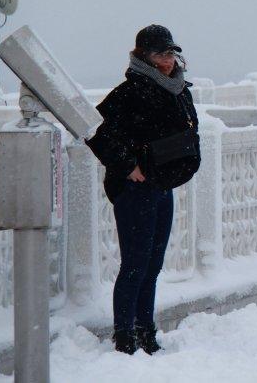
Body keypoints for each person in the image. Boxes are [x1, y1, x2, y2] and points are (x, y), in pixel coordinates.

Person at [85, 25, 201, 355]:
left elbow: (190, 131)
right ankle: (125, 336)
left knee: (153, 266)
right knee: (135, 264)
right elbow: (95, 131)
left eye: (170, 53)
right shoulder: (130, 92)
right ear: (143, 57)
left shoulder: (178, 89)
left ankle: (145, 330)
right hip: (135, 191)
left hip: (163, 186)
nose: (167, 61)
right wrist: (127, 165)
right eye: (159, 54)